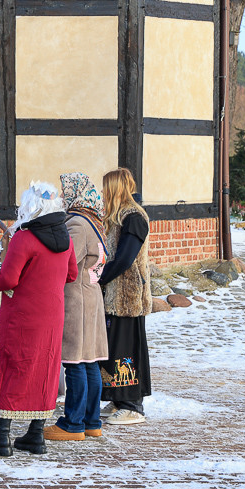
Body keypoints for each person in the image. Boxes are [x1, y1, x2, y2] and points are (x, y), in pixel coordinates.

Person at [0, 182, 77, 457]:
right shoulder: (65, 238)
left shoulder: (24, 237)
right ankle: (35, 433)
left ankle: (2, 435)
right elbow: (72, 275)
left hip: (21, 314)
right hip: (52, 314)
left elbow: (9, 278)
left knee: (13, 363)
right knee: (45, 367)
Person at [44, 172, 109, 442]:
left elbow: (65, 260)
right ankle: (91, 421)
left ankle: (73, 423)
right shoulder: (94, 221)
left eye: (64, 191)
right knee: (90, 361)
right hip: (91, 296)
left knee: (75, 362)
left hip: (77, 299)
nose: (61, 196)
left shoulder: (78, 224)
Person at [98, 167, 153, 425]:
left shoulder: (133, 217)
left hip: (128, 296)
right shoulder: (120, 216)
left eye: (105, 187)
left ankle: (132, 405)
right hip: (116, 295)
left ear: (116, 188)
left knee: (127, 349)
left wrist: (99, 278)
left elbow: (124, 259)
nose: (102, 193)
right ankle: (119, 399)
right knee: (115, 347)